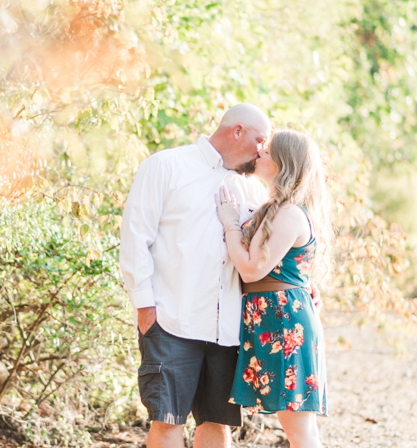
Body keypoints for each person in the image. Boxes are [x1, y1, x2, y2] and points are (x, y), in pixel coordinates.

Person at [119, 105, 320, 448]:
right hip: (171, 319)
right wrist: (145, 308)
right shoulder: (167, 166)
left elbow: (272, 251)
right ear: (236, 131)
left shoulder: (253, 189)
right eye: (260, 140)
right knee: (167, 420)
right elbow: (135, 238)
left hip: (229, 327)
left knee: (217, 423)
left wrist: (301, 284)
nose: (262, 149)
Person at [214, 129, 332, 448]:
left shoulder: (289, 213)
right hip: (274, 319)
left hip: (285, 324)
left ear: (283, 163)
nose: (261, 151)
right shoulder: (275, 208)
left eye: (268, 150)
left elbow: (253, 268)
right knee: (294, 426)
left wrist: (230, 225)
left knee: (299, 430)